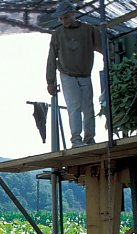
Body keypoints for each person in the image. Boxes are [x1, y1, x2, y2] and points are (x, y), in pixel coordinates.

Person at [46, 0, 101, 148]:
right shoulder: (57, 34)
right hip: (67, 74)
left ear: (73, 14)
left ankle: (89, 138)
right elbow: (51, 58)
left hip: (85, 74)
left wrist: (111, 55)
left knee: (88, 107)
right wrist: (50, 81)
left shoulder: (89, 30)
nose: (65, 20)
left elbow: (102, 46)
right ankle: (76, 140)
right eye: (62, 18)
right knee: (74, 106)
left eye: (67, 17)